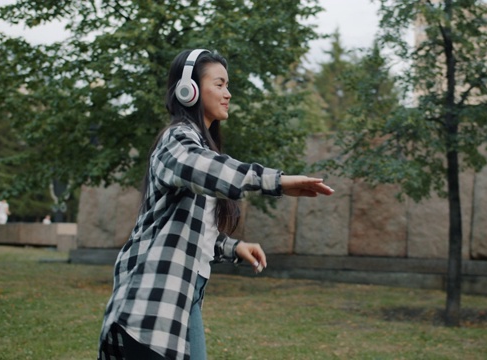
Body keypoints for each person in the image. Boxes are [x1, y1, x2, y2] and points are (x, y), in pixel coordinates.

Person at [98, 49, 334, 360]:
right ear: (189, 90)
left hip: (183, 299)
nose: (228, 93)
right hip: (150, 305)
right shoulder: (176, 142)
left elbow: (190, 232)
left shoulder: (197, 146)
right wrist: (276, 181)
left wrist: (232, 248)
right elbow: (210, 170)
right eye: (219, 84)